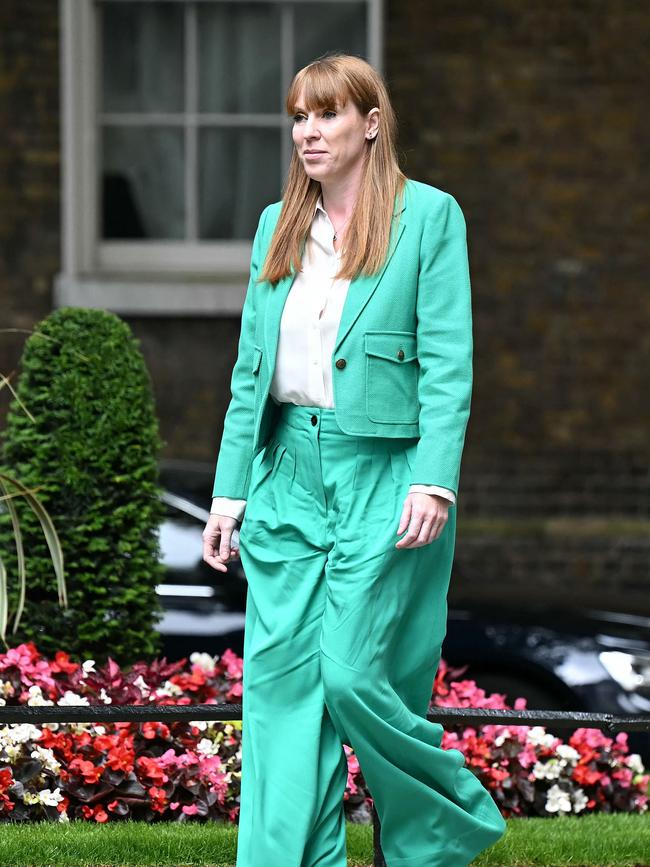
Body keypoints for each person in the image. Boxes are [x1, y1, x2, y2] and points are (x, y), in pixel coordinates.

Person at [202, 52, 506, 867]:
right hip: (287, 475)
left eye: (327, 114)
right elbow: (250, 370)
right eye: (298, 116)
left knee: (352, 675)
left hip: (388, 473)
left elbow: (448, 361)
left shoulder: (429, 217)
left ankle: (441, 826)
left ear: (370, 123)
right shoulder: (277, 226)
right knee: (281, 692)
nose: (308, 131)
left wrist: (435, 476)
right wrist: (230, 492)